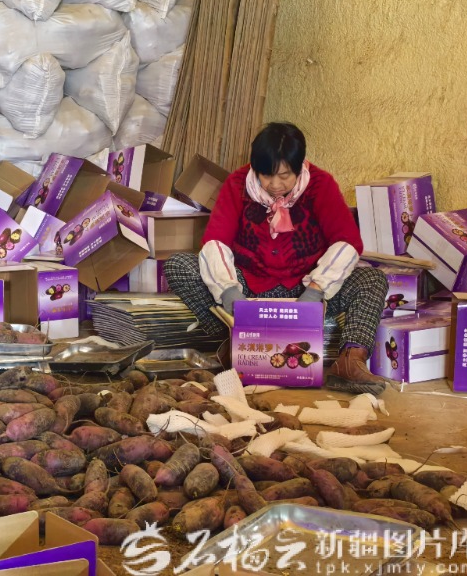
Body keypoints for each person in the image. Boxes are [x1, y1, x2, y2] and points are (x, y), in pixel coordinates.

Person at [164, 122, 391, 395]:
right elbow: (215, 242)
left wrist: (316, 290)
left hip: (306, 291)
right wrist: (229, 292)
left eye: (284, 176)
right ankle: (234, 343)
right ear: (254, 168)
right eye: (265, 175)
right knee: (179, 266)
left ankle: (350, 360)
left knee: (372, 279)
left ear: (299, 167)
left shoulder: (320, 184)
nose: (275, 185)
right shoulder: (237, 184)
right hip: (249, 290)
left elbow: (348, 242)